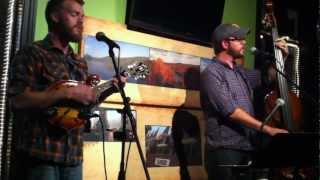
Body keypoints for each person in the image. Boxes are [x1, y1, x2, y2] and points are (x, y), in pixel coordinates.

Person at [8, 0, 125, 180]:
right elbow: (17, 101)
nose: (81, 21)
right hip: (41, 156)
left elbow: (83, 108)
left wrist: (110, 90)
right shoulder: (32, 52)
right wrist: (66, 92)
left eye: (82, 16)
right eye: (74, 15)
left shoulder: (79, 62)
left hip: (74, 158)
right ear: (55, 17)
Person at [200, 23, 289, 180]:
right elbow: (231, 111)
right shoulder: (211, 73)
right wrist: (267, 129)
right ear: (225, 44)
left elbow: (269, 77)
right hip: (225, 150)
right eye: (239, 39)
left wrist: (282, 57)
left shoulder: (240, 72)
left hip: (246, 147)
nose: (244, 42)